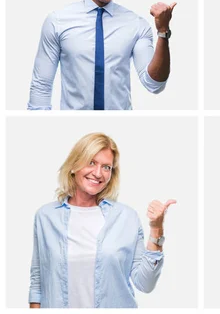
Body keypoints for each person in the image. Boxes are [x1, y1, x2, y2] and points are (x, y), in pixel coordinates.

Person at [29, 132, 176, 308]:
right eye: (91, 163)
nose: (98, 173)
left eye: (106, 167)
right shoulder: (46, 217)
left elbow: (145, 284)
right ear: (74, 165)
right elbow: (38, 280)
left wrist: (156, 229)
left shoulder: (126, 217)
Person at [28, 0, 176, 110]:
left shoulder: (136, 24)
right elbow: (41, 85)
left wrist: (163, 32)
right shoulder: (58, 21)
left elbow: (154, 85)